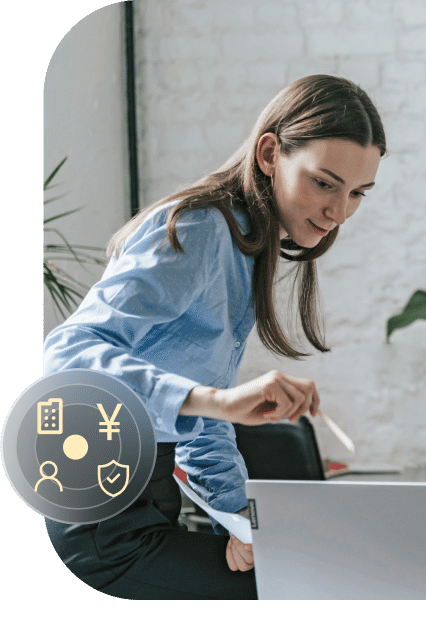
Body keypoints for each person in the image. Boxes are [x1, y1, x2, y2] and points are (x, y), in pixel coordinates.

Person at [43, 75, 385, 599]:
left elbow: (202, 427)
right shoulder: (201, 229)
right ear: (270, 153)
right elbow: (69, 354)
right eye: (324, 183)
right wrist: (218, 400)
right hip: (102, 519)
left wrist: (243, 521)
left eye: (357, 193)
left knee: (308, 576)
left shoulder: (244, 246)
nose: (338, 212)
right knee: (303, 589)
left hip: (145, 506)